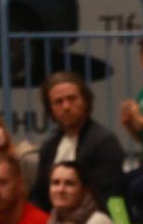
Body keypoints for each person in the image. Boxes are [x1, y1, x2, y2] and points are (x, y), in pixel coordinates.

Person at [30, 73, 127, 210]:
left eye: (72, 99)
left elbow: (111, 197)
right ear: (50, 109)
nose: (66, 106)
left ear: (85, 101)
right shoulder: (49, 145)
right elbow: (39, 195)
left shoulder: (104, 142)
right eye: (58, 102)